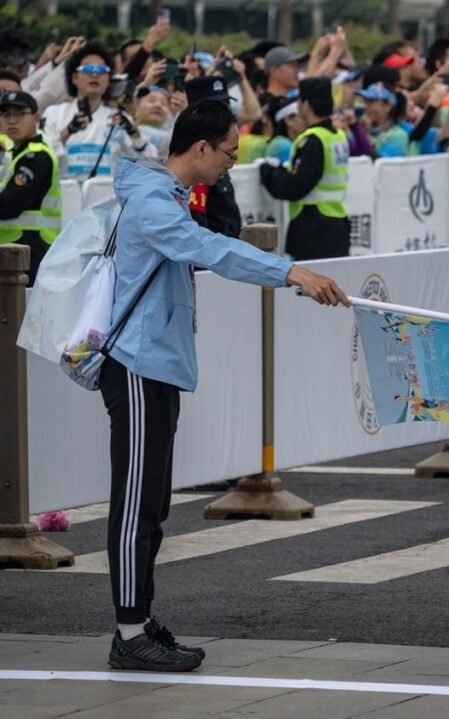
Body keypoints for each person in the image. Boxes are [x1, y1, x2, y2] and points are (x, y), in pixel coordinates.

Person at [101, 99, 348, 673]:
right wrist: (291, 271)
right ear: (201, 148)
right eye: (230, 155)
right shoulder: (152, 204)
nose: (231, 166)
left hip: (155, 364)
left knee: (152, 501)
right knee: (137, 502)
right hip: (136, 365)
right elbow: (211, 250)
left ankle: (137, 619)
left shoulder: (167, 197)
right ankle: (129, 632)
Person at [261, 77, 351, 260]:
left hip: (314, 228)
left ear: (306, 105)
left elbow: (295, 186)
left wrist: (269, 172)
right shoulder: (338, 136)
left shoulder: (313, 140)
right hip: (337, 222)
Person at [40, 43, 158, 181]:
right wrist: (67, 132)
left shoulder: (120, 119)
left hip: (106, 198)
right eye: (88, 68)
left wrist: (133, 134)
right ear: (74, 78)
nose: (95, 74)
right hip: (65, 195)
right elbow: (40, 160)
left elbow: (148, 165)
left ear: (109, 79)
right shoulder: (54, 114)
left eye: (102, 69)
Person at [0, 90, 61, 285]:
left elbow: (9, 205)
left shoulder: (37, 156)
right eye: (6, 114)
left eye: (19, 114)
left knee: (18, 311)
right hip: (13, 249)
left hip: (29, 251)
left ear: (36, 118)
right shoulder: (14, 154)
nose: (12, 120)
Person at [182, 77, 242, 238]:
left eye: (227, 105)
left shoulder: (220, 149)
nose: (226, 112)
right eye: (218, 107)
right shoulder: (197, 156)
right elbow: (197, 224)